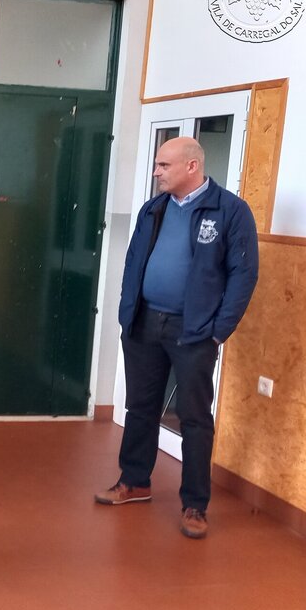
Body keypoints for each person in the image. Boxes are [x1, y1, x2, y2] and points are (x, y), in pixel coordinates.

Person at [94, 136, 258, 539]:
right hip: (144, 323)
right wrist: (127, 311)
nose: (156, 172)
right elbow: (135, 261)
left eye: (163, 165)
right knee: (141, 408)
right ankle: (135, 481)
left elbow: (243, 274)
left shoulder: (230, 211)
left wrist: (218, 331)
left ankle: (195, 505)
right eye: (156, 164)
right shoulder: (154, 209)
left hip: (195, 331)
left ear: (191, 166)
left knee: (195, 418)